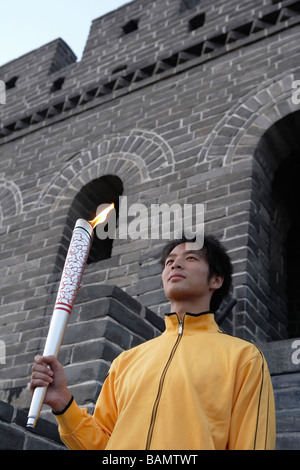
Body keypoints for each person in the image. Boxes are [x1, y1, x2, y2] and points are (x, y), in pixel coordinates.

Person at [29, 234, 276, 450]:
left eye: (190, 258)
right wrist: (62, 403)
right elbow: (103, 444)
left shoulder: (243, 357)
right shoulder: (125, 362)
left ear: (216, 280)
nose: (175, 264)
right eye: (169, 261)